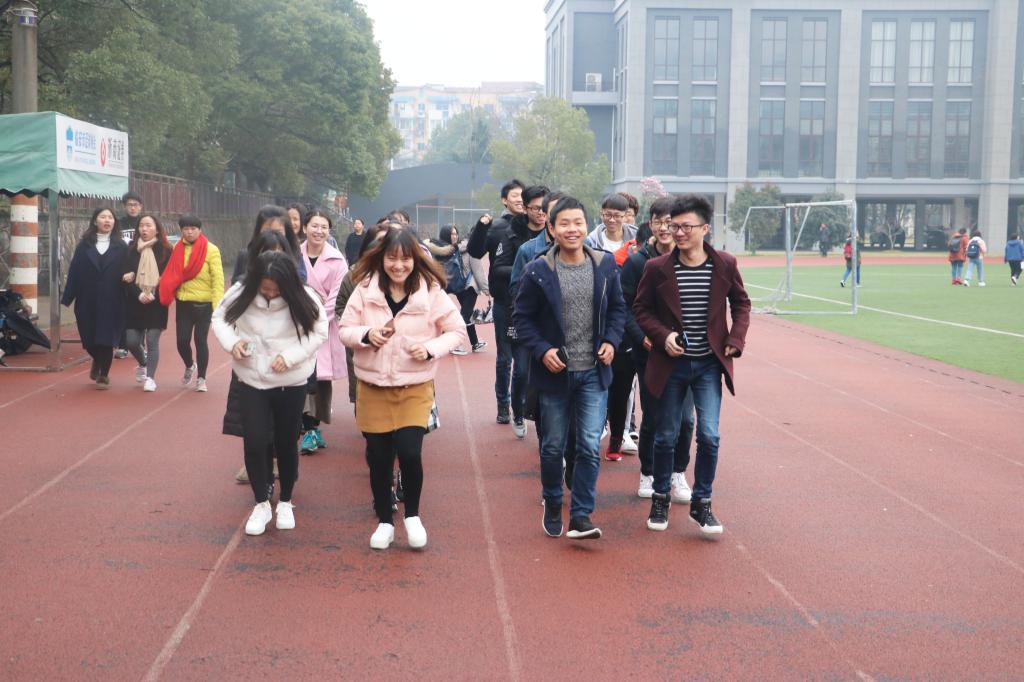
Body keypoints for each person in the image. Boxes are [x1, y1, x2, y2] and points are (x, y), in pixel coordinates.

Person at [339, 228, 468, 550]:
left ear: (415, 260)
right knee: (378, 458)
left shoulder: (430, 291)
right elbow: (344, 329)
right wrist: (367, 334)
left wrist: (430, 348)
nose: (398, 265)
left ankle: (412, 515)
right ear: (381, 259)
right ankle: (385, 521)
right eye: (392, 258)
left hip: (414, 385)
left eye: (405, 258)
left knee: (410, 452)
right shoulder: (365, 288)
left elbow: (456, 330)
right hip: (373, 386)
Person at [633, 194, 751, 535]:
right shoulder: (657, 268)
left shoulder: (724, 264)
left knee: (709, 435)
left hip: (708, 365)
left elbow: (741, 304)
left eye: (686, 226)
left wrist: (735, 339)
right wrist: (663, 336)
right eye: (675, 227)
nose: (679, 233)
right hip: (671, 364)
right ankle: (660, 498)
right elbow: (641, 309)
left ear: (705, 228)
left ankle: (702, 503)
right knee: (666, 435)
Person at [514, 196, 627, 540]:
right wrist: (543, 350)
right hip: (555, 374)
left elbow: (618, 309)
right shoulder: (538, 270)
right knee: (552, 446)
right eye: (564, 223)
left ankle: (580, 515)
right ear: (551, 228)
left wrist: (611, 340)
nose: (572, 229)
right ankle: (552, 500)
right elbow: (522, 319)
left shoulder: (605, 265)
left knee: (589, 445)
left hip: (594, 371)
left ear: (586, 226)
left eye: (578, 222)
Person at [213, 251, 327, 536]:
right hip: (251, 378)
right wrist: (232, 342)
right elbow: (220, 318)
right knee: (254, 441)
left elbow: (319, 332)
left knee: (286, 442)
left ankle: (286, 501)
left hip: (291, 380)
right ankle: (261, 503)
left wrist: (290, 357)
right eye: (265, 289)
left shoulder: (305, 297)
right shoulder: (241, 292)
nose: (271, 294)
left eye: (277, 290)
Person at [620, 196, 695, 501]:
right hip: (650, 353)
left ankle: (678, 471)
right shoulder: (637, 263)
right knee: (653, 416)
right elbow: (625, 307)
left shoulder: (692, 259)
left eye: (670, 222)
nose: (665, 228)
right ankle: (648, 472)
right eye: (658, 221)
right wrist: (643, 338)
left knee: (686, 420)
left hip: (686, 354)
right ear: (649, 224)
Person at [467, 179, 528, 425]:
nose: (520, 200)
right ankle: (503, 403)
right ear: (504, 200)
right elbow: (475, 251)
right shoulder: (497, 227)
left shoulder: (535, 225)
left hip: (531, 302)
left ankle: (521, 404)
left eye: (523, 195)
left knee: (526, 361)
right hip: (505, 300)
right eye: (515, 196)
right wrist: (481, 227)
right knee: (505, 358)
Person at [298, 209, 349, 453]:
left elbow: (337, 297)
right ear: (305, 227)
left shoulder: (337, 260)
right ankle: (308, 427)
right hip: (296, 324)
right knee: (300, 374)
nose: (319, 231)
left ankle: (314, 425)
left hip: (323, 326)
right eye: (314, 226)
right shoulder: (294, 254)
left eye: (324, 227)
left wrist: (316, 320)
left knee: (320, 377)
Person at [61, 207, 127, 388]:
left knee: (106, 339)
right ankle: (97, 360)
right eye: (103, 217)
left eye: (110, 217)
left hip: (113, 299)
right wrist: (68, 297)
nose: (107, 220)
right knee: (89, 339)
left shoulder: (121, 246)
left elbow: (129, 269)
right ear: (95, 221)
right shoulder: (84, 246)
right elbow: (74, 271)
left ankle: (104, 375)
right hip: (87, 299)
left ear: (114, 222)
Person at [159, 215, 224, 393]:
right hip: (184, 303)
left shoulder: (211, 250)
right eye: (186, 229)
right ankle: (190, 365)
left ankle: (201, 378)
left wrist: (218, 307)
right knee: (182, 341)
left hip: (205, 304)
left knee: (200, 341)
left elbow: (218, 280)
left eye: (193, 229)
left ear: (200, 230)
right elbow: (171, 272)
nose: (189, 232)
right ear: (181, 231)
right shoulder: (176, 249)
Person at [121, 213, 172, 392]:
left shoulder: (166, 250)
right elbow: (125, 277)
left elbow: (169, 276)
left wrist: (154, 292)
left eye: (148, 225)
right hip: (135, 301)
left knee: (152, 340)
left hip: (157, 302)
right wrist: (139, 294)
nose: (144, 229)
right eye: (141, 225)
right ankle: (143, 362)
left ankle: (150, 378)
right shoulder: (130, 250)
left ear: (157, 229)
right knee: (131, 341)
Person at [429, 224, 486, 355]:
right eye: (452, 234)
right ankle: (453, 343)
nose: (454, 236)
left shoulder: (452, 248)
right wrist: (486, 289)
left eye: (456, 234)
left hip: (458, 284)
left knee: (466, 314)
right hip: (460, 285)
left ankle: (475, 343)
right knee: (462, 315)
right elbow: (478, 270)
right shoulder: (444, 250)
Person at [232, 205, 305, 284]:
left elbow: (300, 283)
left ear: (287, 233)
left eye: (278, 232)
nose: (273, 237)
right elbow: (236, 284)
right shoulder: (244, 256)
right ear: (258, 231)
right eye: (267, 231)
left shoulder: (295, 256)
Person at [114, 191, 145, 359]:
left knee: (141, 307)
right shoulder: (118, 224)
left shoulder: (145, 223)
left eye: (136, 205)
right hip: (121, 271)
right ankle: (122, 345)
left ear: (141, 207)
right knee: (121, 309)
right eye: (129, 205)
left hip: (141, 271)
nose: (133, 208)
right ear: (124, 206)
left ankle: (141, 344)